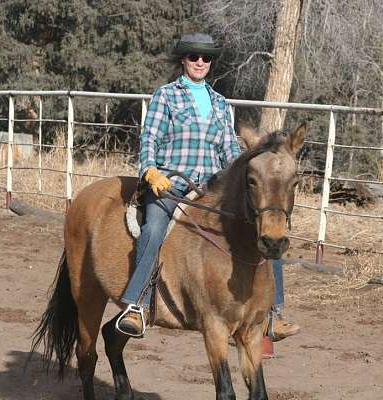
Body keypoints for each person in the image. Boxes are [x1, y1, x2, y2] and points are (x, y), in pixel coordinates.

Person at [117, 33, 299, 341]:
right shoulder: (166, 96)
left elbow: (229, 148)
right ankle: (137, 305)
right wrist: (149, 170)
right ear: (183, 60)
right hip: (171, 184)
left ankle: (272, 314)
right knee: (154, 229)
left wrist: (246, 168)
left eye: (206, 58)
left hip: (211, 188)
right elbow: (149, 138)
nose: (200, 62)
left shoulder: (219, 102)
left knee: (267, 233)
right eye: (193, 57)